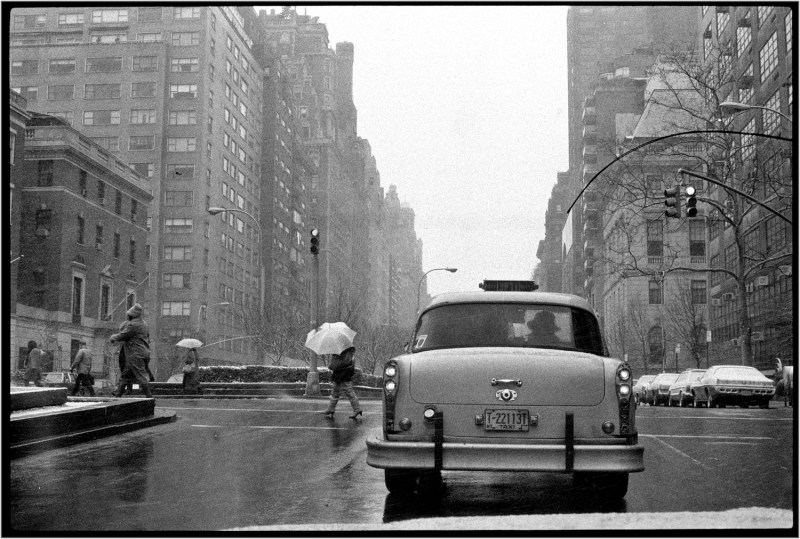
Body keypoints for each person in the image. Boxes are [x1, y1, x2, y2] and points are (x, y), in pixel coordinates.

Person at [110, 303, 153, 398]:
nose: (128, 316)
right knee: (125, 374)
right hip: (143, 352)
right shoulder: (144, 324)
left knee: (141, 376)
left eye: (129, 315)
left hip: (135, 354)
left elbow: (123, 335)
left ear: (132, 315)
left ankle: (149, 396)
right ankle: (118, 394)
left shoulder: (133, 325)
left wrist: (113, 337)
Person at [323, 346, 362, 420]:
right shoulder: (346, 351)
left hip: (343, 374)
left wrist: (333, 364)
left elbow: (341, 363)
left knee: (348, 392)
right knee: (335, 391)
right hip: (340, 374)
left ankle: (357, 409)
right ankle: (331, 408)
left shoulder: (345, 351)